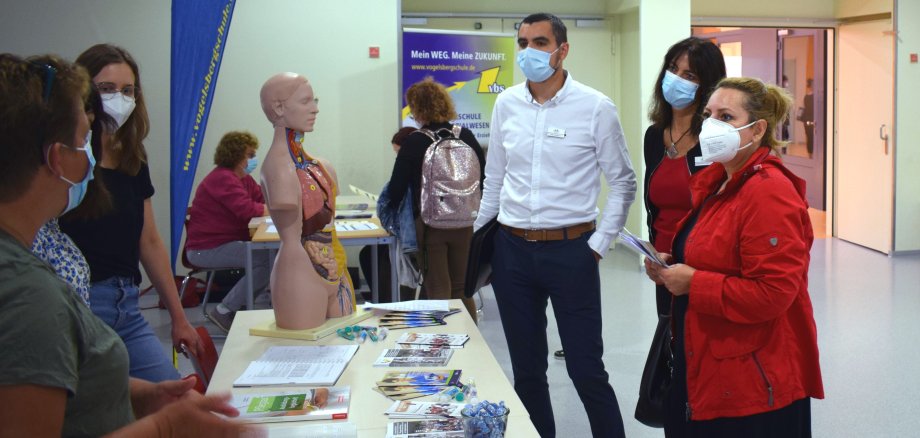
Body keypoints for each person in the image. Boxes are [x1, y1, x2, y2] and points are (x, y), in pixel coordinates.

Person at [0, 52, 246, 438]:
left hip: (124, 305)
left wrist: (143, 395)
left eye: (128, 90)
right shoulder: (31, 293)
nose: (92, 153)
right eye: (84, 139)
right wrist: (165, 427)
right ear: (57, 158)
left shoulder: (40, 260)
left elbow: (72, 378)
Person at [473, 13, 637, 438]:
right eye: (523, 42)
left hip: (572, 251)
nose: (529, 51)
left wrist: (599, 244)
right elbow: (494, 179)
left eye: (540, 42)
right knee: (527, 371)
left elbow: (622, 181)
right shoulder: (506, 103)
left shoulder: (596, 106)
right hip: (512, 252)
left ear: (562, 50)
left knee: (586, 369)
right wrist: (479, 239)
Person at [645, 77, 824, 437]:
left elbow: (773, 294)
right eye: (709, 114)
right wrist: (671, 263)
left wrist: (693, 282)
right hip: (707, 359)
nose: (711, 124)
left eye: (726, 116)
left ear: (757, 130)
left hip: (750, 380)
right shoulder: (719, 181)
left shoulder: (768, 192)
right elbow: (713, 250)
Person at [61, 43, 203, 382]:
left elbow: (150, 241)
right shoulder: (66, 157)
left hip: (127, 306)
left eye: (127, 90)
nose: (118, 98)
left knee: (172, 399)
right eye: (106, 89)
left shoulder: (132, 159)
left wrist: (179, 317)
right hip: (82, 306)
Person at [259, 72, 354, 330]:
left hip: (336, 266)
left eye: (315, 101)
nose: (315, 109)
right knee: (306, 354)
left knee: (345, 344)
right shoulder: (278, 169)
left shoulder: (319, 166)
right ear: (279, 107)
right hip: (299, 273)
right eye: (305, 102)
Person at [385, 78, 484, 321]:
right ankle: (471, 344)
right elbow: (483, 178)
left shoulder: (415, 142)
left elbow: (396, 189)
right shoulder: (466, 136)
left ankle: (443, 346)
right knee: (462, 288)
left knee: (438, 288)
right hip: (465, 224)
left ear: (417, 109)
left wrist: (388, 216)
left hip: (430, 227)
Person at [644, 37, 726, 316]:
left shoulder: (717, 140)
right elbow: (656, 205)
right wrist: (653, 253)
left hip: (702, 270)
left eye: (689, 75)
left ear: (708, 85)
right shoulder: (655, 136)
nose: (676, 79)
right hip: (663, 264)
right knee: (669, 347)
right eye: (672, 69)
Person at [31, 87, 116, 307]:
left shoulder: (49, 228)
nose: (91, 158)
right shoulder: (29, 244)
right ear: (56, 156)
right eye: (84, 140)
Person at [185, 131, 270, 332]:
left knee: (268, 256)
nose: (253, 159)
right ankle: (224, 310)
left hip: (223, 243)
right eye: (250, 155)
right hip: (205, 249)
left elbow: (262, 200)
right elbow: (248, 210)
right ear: (236, 155)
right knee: (264, 260)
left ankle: (239, 307)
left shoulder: (244, 179)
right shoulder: (222, 178)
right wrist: (275, 209)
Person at [360, 127, 420, 303]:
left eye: (399, 153)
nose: (399, 158)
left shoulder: (411, 175)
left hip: (410, 237)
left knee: (377, 255)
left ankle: (385, 300)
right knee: (369, 253)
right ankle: (381, 298)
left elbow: (392, 200)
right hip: (406, 232)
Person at [801, 78, 815, 156]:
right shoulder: (808, 96)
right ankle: (810, 154)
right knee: (810, 137)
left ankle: (811, 154)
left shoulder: (807, 96)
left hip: (809, 120)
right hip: (809, 120)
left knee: (810, 137)